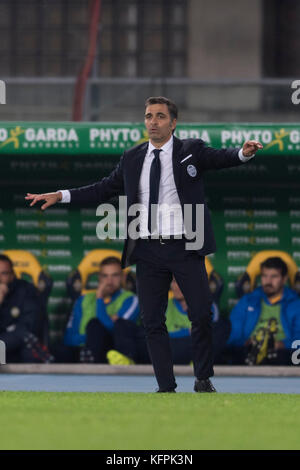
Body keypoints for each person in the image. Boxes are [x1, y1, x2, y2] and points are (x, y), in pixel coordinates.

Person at [25, 96, 263, 392]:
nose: (153, 121)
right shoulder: (132, 157)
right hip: (148, 249)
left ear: (173, 123)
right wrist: (62, 195)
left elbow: (222, 157)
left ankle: (203, 378)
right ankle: (165, 386)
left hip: (186, 246)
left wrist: (243, 153)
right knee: (151, 320)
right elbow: (103, 189)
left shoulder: (192, 150)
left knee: (201, 313)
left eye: (160, 116)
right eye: (149, 116)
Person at [53, 256, 141, 363]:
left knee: (95, 325)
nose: (109, 281)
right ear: (99, 277)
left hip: (111, 351)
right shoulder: (83, 299)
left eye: (115, 275)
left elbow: (118, 330)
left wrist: (99, 298)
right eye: (105, 276)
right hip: (83, 349)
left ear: (123, 277)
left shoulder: (130, 299)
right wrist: (91, 340)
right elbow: (69, 338)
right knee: (60, 351)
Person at [226, 257, 300, 365]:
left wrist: (281, 345)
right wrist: (247, 342)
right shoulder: (247, 300)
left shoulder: (296, 303)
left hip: (283, 354)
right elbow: (233, 335)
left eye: (274, 276)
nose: (268, 281)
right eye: (264, 276)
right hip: (249, 352)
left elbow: (298, 338)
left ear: (284, 279)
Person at [0, 254, 53, 363]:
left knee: (28, 344)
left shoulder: (26, 290)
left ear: (12, 274)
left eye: (3, 273)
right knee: (22, 334)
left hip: (19, 348)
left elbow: (30, 326)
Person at [166, 278, 221, 365]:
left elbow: (212, 335)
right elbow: (161, 336)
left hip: (200, 354)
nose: (176, 286)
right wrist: (188, 331)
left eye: (181, 281)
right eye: (174, 282)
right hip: (172, 352)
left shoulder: (209, 306)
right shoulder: (164, 305)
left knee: (220, 328)